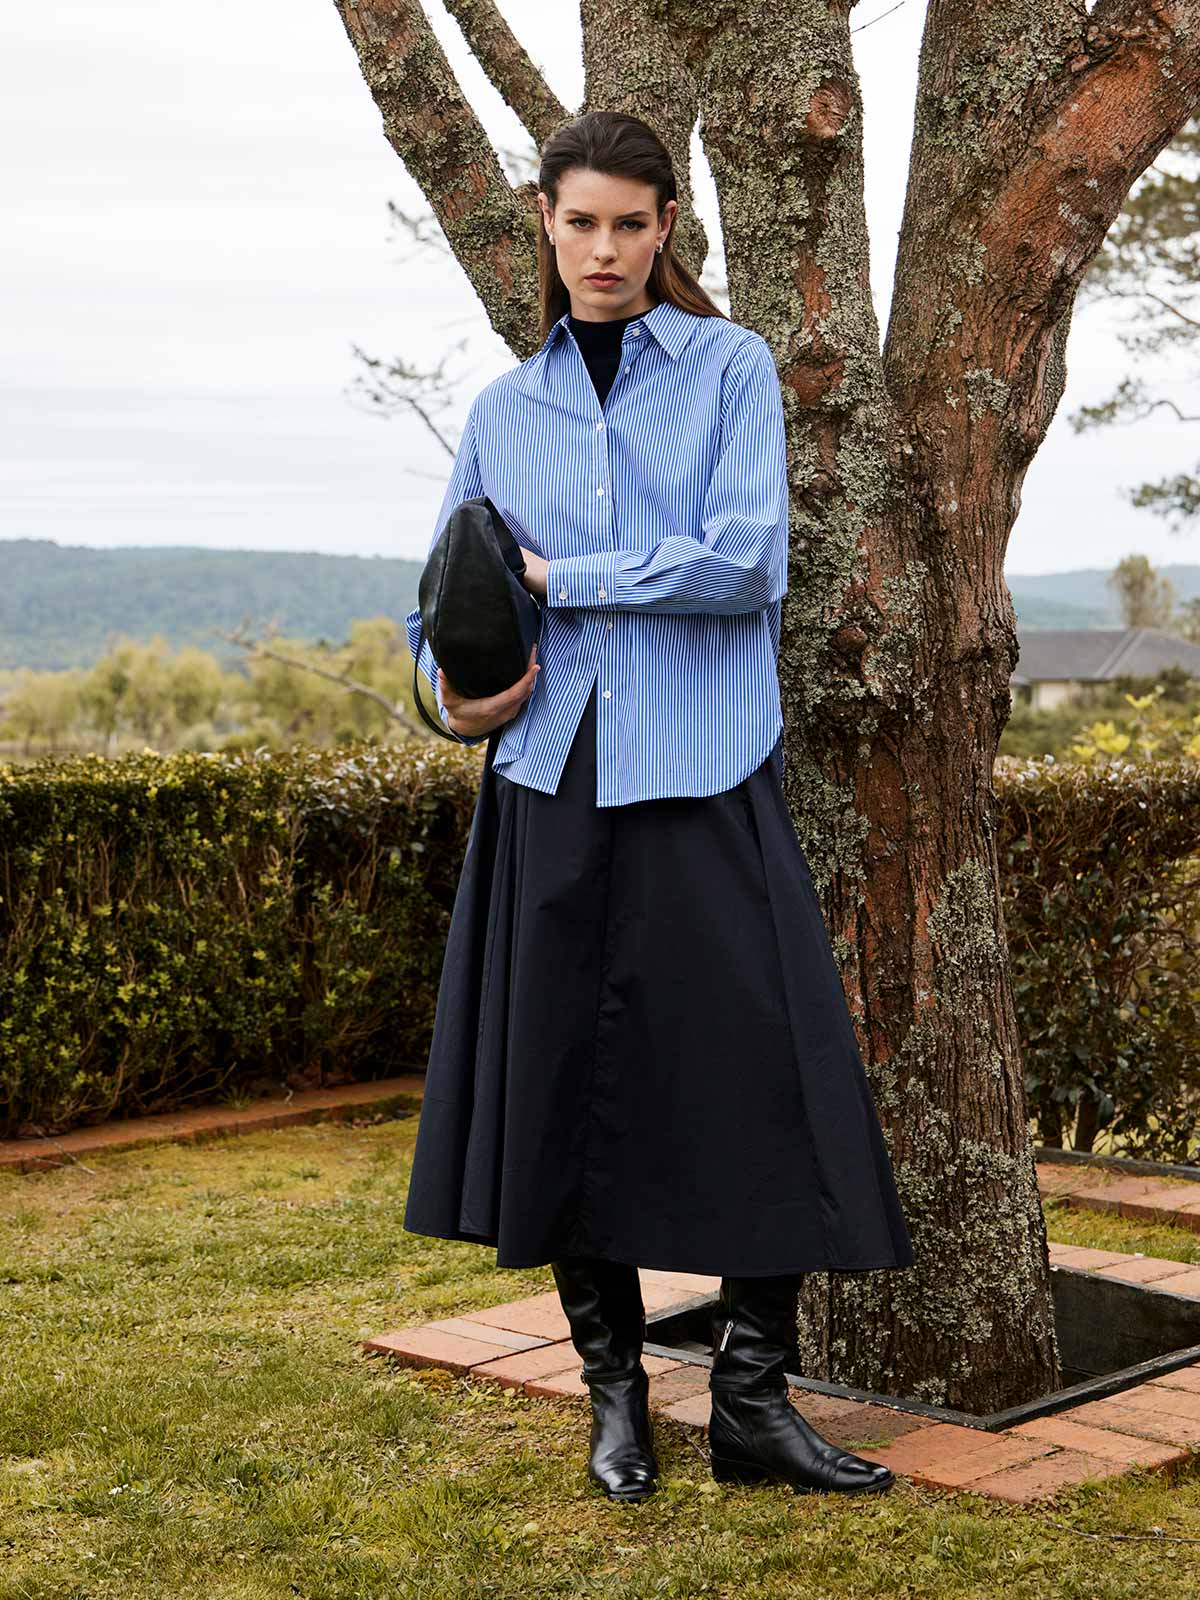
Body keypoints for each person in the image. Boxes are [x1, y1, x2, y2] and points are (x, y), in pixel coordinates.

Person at [402, 110, 914, 1503]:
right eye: (581, 222)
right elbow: (441, 598)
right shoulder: (504, 411)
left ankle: (751, 1401)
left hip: (703, 765)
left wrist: (562, 579)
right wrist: (452, 696)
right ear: (547, 222)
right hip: (548, 777)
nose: (605, 249)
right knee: (563, 1087)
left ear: (665, 226)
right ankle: (615, 1398)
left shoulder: (731, 369)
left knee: (762, 1078)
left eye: (630, 224)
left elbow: (747, 561)